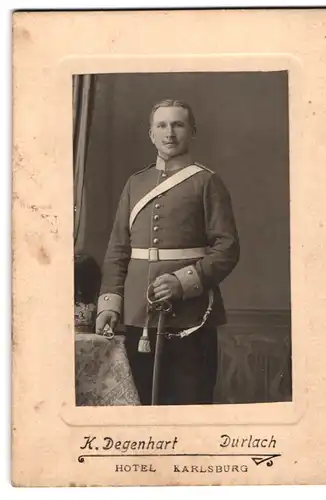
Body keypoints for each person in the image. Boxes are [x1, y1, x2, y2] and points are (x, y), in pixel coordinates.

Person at [96, 99, 240, 405]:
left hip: (192, 314)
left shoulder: (206, 182)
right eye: (162, 125)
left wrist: (185, 280)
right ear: (151, 134)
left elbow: (227, 248)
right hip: (137, 313)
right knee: (143, 404)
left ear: (192, 132)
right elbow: (118, 248)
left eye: (178, 124)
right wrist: (110, 302)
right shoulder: (135, 183)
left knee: (191, 405)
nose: (169, 133)